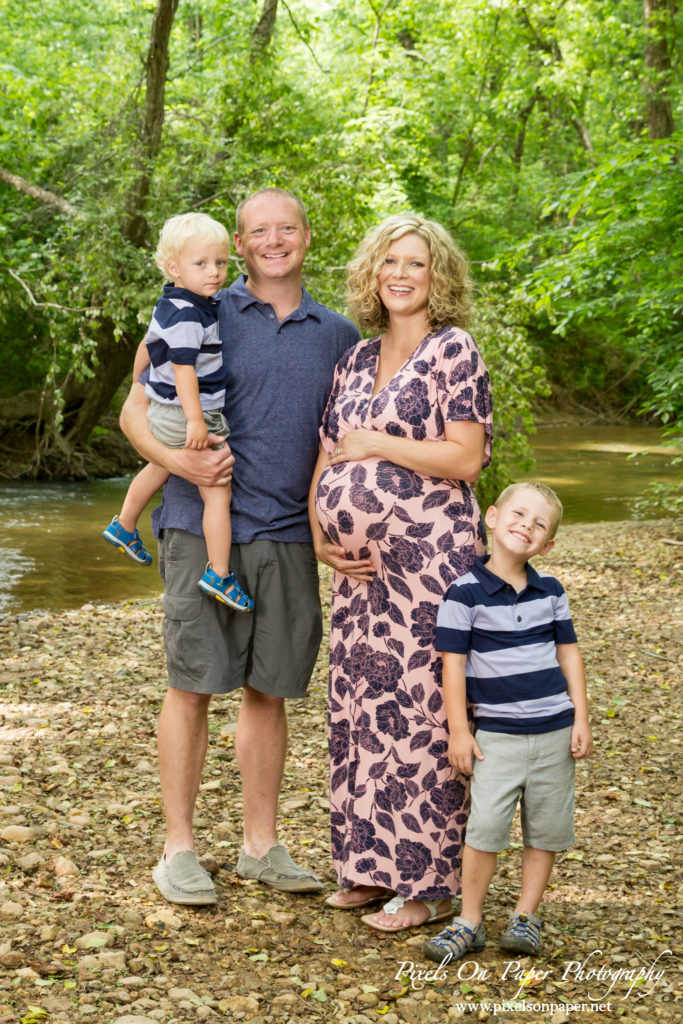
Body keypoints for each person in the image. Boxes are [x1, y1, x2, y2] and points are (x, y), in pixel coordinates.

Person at [119, 188, 359, 905]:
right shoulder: (199, 303)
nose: (274, 240)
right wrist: (184, 465)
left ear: (307, 238)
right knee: (191, 684)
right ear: (241, 243)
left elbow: (340, 446)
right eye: (260, 230)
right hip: (200, 525)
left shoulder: (339, 335)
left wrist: (330, 530)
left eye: (287, 227)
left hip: (287, 534)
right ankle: (179, 849)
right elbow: (136, 406)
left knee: (268, 690)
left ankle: (261, 846)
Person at [309, 214, 493, 932]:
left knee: (421, 713)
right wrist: (323, 537)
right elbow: (329, 458)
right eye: (389, 262)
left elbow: (464, 459)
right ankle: (365, 865)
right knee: (357, 709)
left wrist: (379, 442)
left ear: (436, 276)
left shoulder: (455, 351)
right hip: (358, 574)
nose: (401, 274)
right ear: (371, 273)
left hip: (430, 569)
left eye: (415, 263)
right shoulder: (353, 360)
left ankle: (426, 885)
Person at [423, 481, 593, 963]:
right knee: (485, 830)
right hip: (496, 736)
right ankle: (469, 920)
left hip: (554, 733)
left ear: (549, 543)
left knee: (545, 830)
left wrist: (581, 715)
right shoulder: (465, 593)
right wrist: (460, 729)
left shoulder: (551, 591)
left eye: (540, 524)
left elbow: (569, 653)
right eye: (519, 515)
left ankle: (525, 915)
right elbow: (452, 665)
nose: (527, 526)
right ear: (492, 518)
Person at [103, 213, 252, 611]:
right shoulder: (189, 314)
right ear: (174, 268)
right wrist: (196, 422)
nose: (215, 272)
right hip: (188, 411)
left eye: (221, 262)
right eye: (201, 264)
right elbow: (184, 369)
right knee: (218, 490)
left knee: (159, 466)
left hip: (164, 408)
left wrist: (143, 388)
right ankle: (219, 574)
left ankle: (124, 524)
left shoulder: (176, 302)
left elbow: (148, 346)